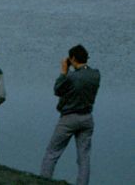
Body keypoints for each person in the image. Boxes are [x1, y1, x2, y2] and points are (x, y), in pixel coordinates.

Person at [40, 44, 101, 185]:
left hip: (69, 118)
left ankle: (43, 180)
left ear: (73, 58)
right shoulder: (96, 74)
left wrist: (63, 71)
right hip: (87, 118)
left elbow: (57, 90)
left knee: (52, 152)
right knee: (84, 157)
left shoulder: (71, 77)